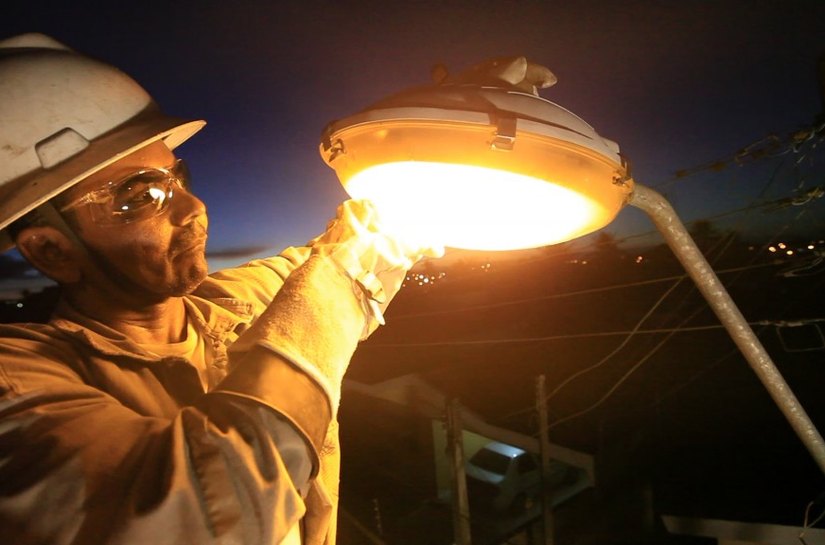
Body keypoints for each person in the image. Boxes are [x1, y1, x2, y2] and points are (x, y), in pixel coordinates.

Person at [0, 33, 438, 545]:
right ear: (52, 251)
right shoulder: (20, 385)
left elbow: (342, 258)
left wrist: (446, 145)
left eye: (178, 179)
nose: (193, 209)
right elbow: (206, 512)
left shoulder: (231, 308)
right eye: (141, 196)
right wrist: (339, 283)